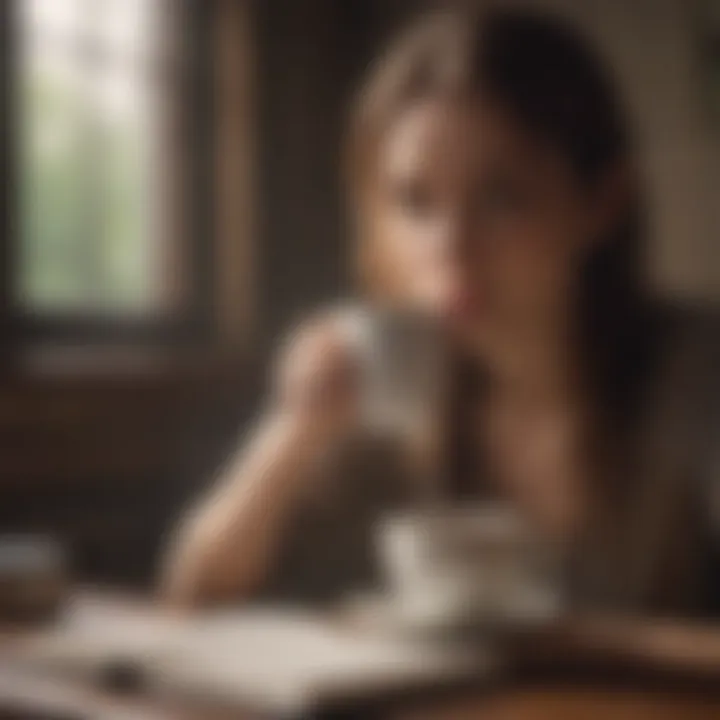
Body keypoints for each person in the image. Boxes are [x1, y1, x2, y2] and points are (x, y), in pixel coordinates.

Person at [161, 5, 719, 616]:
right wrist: (294, 429)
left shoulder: (696, 379)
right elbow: (193, 595)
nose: (450, 247)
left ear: (602, 205)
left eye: (500, 199)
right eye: (414, 202)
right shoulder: (391, 389)